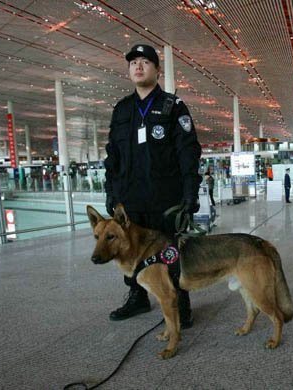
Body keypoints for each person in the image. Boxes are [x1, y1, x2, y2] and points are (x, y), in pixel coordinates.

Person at [104, 44, 202, 326]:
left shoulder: (173, 107)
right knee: (130, 252)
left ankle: (180, 303)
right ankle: (137, 297)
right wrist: (111, 191)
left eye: (145, 61)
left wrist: (189, 194)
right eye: (133, 62)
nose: (138, 66)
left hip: (165, 198)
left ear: (157, 70)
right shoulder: (122, 109)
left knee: (170, 252)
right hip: (130, 200)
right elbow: (113, 156)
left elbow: (188, 153)